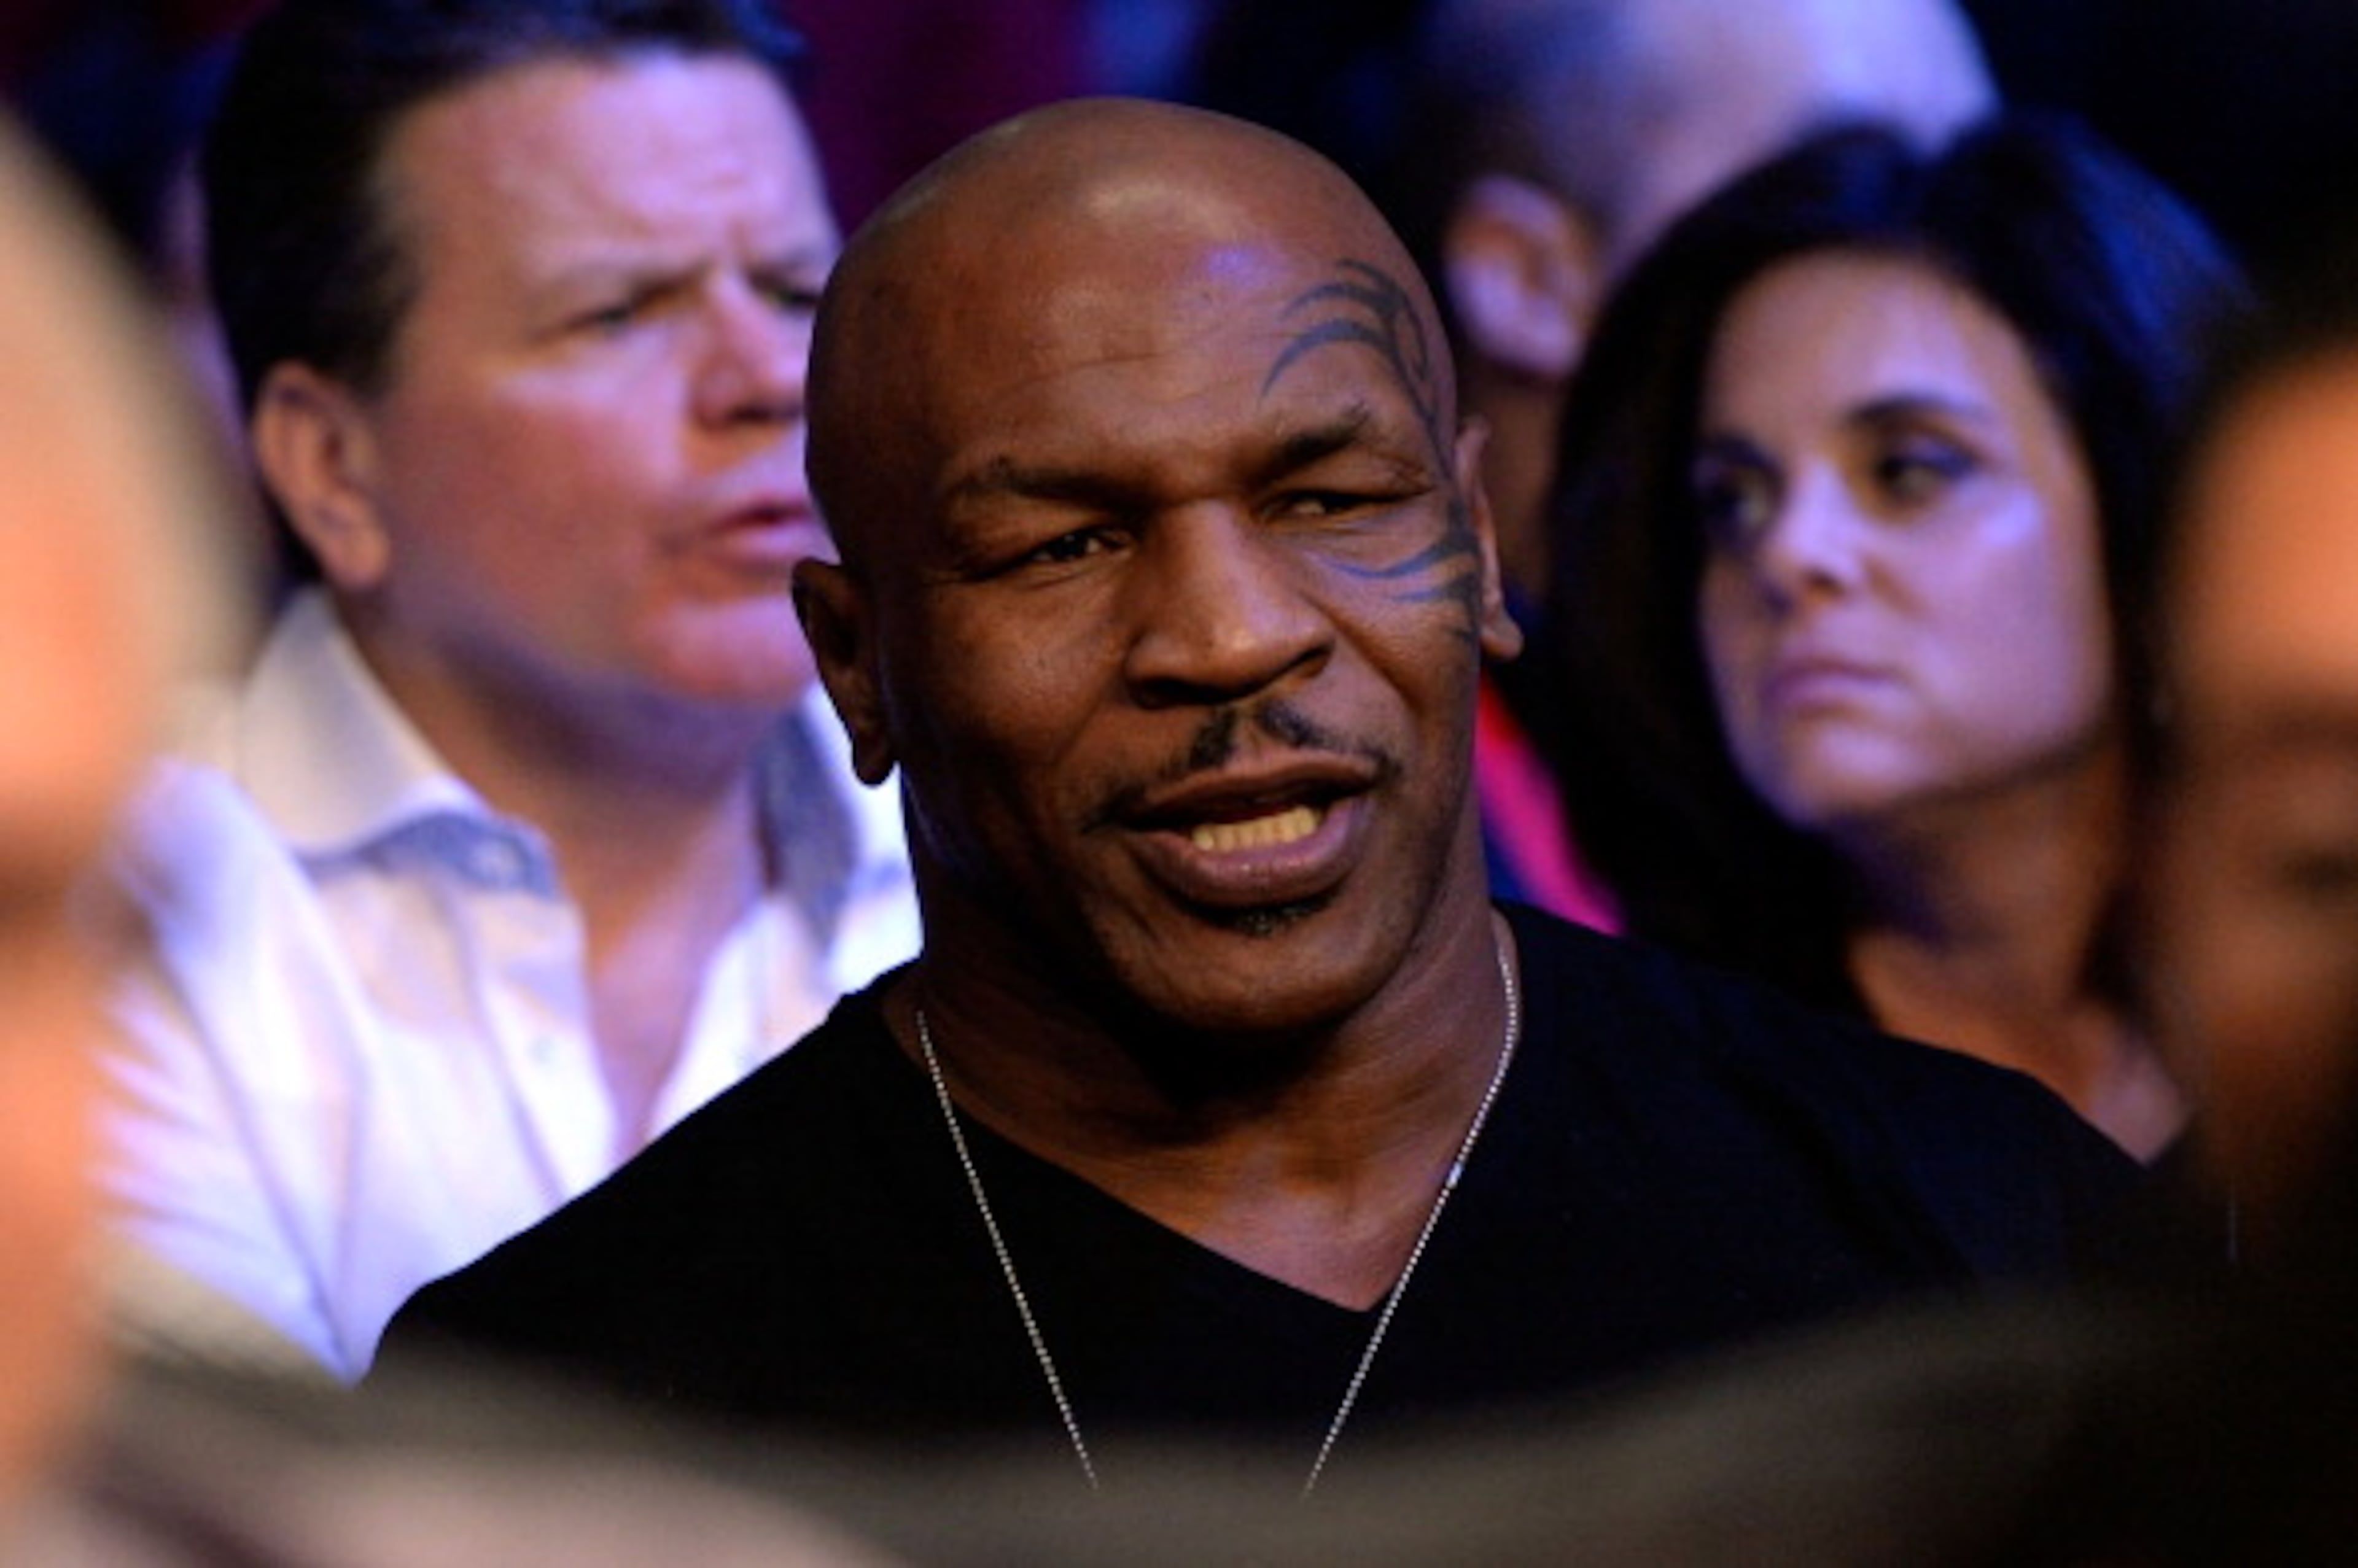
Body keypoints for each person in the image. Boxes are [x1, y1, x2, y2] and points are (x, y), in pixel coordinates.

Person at [375, 97, 2142, 1495]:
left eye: (1326, 501)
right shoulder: (569, 1402)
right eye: (1065, 540)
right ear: (855, 661)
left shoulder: (1985, 1234)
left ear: (1473, 542)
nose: (1228, 636)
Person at [92, 0, 920, 1384]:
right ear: (332, 466)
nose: (770, 381)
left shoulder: (1004, 837)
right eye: (619, 312)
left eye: (793, 290)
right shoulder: (118, 907)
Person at [1533, 115, 2244, 1160]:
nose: (1790, 553)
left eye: (1910, 470)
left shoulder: (2316, 1004)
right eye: (1732, 502)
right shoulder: (1651, 1130)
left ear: (2158, 513)